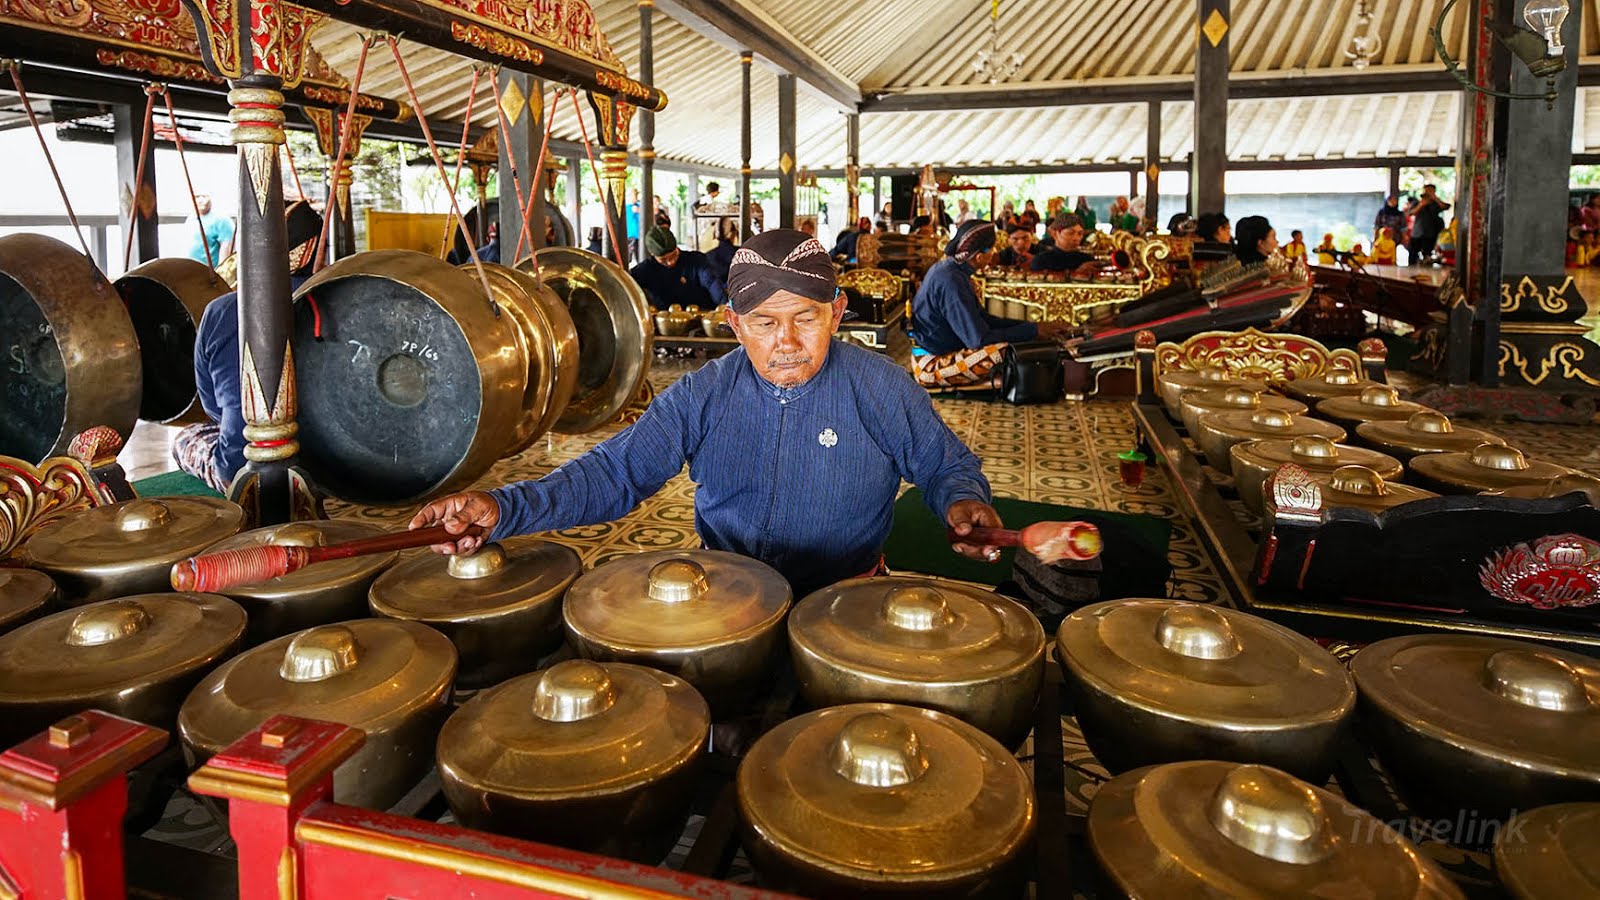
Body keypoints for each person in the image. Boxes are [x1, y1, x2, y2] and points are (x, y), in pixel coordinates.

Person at [410, 228, 1009, 600]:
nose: (788, 342)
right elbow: (616, 473)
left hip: (846, 599)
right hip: (725, 598)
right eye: (765, 324)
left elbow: (942, 466)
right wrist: (502, 507)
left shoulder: (880, 387)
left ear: (837, 312)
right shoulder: (703, 394)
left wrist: (962, 500)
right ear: (734, 324)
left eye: (806, 318)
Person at [176, 201, 321, 494]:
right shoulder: (340, 301)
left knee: (188, 438)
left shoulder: (220, 309)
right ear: (313, 250)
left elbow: (212, 407)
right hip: (333, 471)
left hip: (242, 472)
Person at [911, 220, 1069, 389]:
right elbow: (977, 339)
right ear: (979, 256)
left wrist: (1032, 328)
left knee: (1019, 342)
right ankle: (990, 382)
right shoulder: (951, 280)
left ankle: (993, 380)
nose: (994, 253)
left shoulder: (954, 271)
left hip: (946, 352)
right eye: (993, 248)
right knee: (1001, 352)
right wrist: (1031, 331)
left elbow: (985, 321)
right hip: (931, 363)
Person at [629, 225, 725, 311]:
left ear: (677, 247)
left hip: (701, 316)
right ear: (652, 254)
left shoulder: (696, 260)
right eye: (663, 260)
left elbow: (712, 282)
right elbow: (628, 286)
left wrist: (725, 305)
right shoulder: (646, 269)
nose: (670, 262)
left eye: (674, 255)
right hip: (666, 324)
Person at [1030, 214, 1101, 278]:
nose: (1076, 238)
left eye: (1080, 234)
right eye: (1070, 233)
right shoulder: (1041, 260)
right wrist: (1077, 273)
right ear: (1055, 234)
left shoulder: (1087, 260)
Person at [1407, 185, 1450, 264]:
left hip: (1430, 233)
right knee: (1413, 254)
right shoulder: (1417, 202)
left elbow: (1445, 207)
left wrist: (1435, 198)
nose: (1427, 192)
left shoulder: (1435, 204)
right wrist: (1421, 205)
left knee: (1427, 255)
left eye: (1430, 191)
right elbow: (1410, 213)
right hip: (1417, 232)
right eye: (1426, 190)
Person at [187, 194, 235, 266]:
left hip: (209, 272)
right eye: (197, 197)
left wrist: (219, 273)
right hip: (191, 270)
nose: (200, 200)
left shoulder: (221, 220)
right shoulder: (191, 218)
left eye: (204, 196)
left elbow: (227, 249)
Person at [626, 189, 642, 260]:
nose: (635, 197)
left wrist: (639, 211)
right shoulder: (625, 207)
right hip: (628, 235)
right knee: (627, 258)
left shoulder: (641, 207)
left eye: (636, 195)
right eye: (633, 195)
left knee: (640, 257)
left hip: (639, 236)